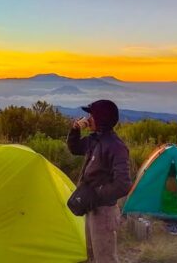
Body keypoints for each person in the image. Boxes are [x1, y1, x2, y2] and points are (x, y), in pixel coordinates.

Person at [66, 99, 132, 263]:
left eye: (91, 115)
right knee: (92, 255)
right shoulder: (95, 140)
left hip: (104, 212)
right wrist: (75, 130)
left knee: (105, 258)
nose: (88, 119)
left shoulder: (116, 147)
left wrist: (97, 193)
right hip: (92, 207)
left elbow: (123, 184)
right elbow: (74, 149)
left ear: (101, 120)